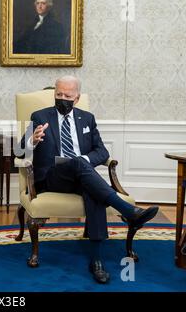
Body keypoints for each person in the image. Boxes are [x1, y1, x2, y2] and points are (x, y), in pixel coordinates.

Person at [18, 75, 159, 284]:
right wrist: (31, 141)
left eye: (68, 95)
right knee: (78, 166)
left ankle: (96, 261)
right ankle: (129, 211)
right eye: (59, 94)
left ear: (77, 98)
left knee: (92, 189)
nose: (62, 98)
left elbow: (102, 152)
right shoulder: (39, 116)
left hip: (80, 176)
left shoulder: (87, 118)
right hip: (52, 177)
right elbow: (20, 151)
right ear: (54, 94)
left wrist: (83, 160)